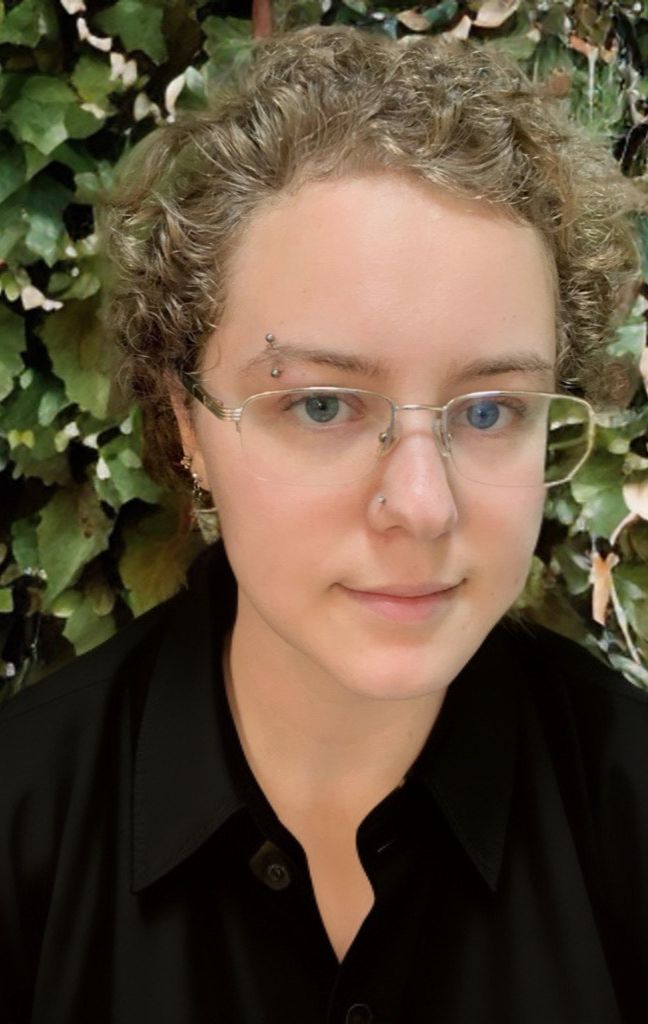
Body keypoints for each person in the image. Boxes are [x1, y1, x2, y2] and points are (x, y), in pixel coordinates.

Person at [1, 24, 646, 1024]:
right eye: (320, 404)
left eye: (489, 411)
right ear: (189, 425)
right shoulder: (23, 826)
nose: (423, 507)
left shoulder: (628, 809)